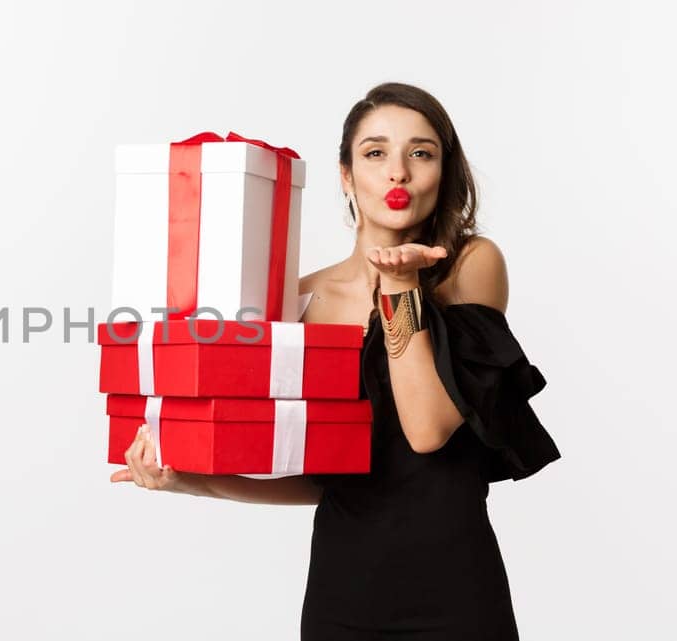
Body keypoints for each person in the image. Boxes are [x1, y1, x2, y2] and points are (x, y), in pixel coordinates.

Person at [108, 82, 561, 640]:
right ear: (346, 174)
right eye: (375, 153)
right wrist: (192, 481)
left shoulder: (470, 264)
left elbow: (427, 429)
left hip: (457, 596)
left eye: (421, 153)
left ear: (443, 171)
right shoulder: (301, 301)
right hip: (343, 598)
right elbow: (321, 479)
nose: (398, 172)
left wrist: (399, 285)